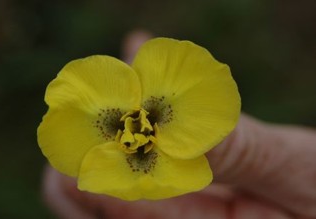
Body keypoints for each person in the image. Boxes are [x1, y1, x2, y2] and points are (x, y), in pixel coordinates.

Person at [42, 30, 316, 219]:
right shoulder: (116, 127)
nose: (137, 129)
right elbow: (71, 107)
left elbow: (203, 82)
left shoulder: (163, 107)